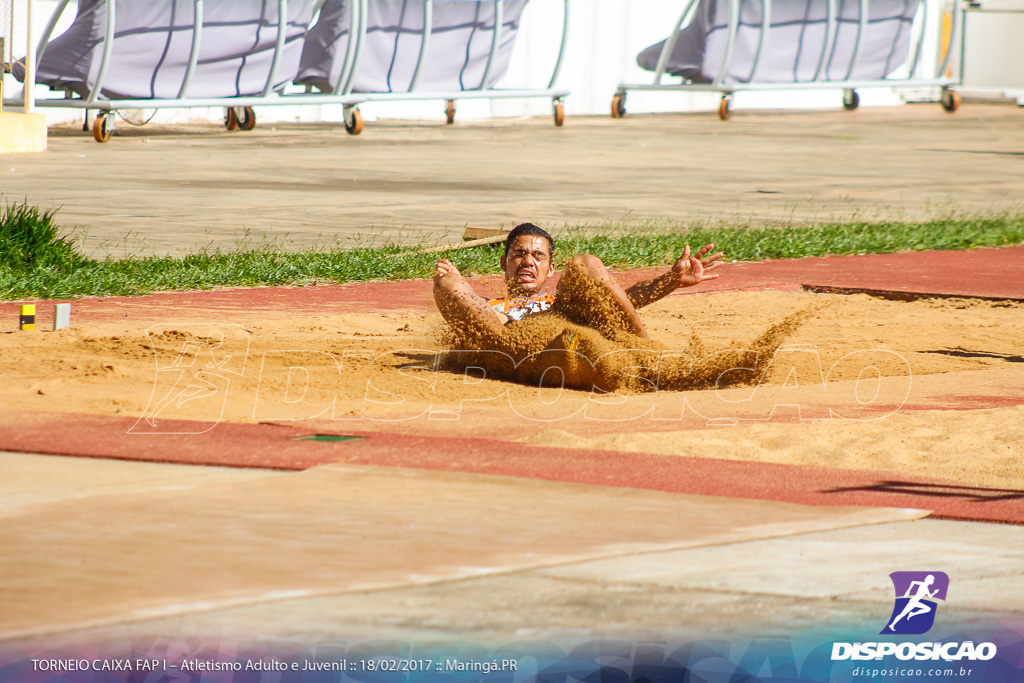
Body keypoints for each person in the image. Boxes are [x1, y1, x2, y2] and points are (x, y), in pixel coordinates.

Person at [433, 223, 724, 344]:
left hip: (563, 338)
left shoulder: (561, 303)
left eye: (538, 256)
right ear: (504, 263)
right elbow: (467, 308)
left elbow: (624, 299)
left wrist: (670, 281)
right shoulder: (486, 306)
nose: (528, 262)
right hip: (507, 345)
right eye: (519, 254)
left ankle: (645, 350)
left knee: (586, 263)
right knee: (446, 282)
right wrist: (454, 282)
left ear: (550, 268)